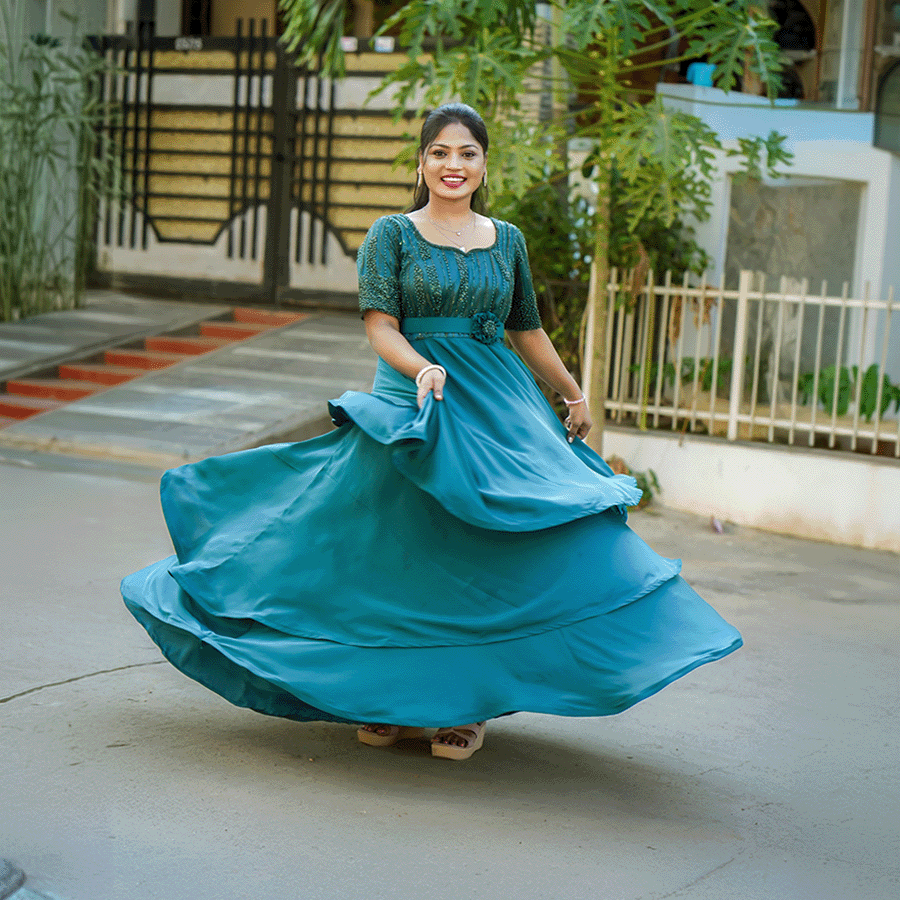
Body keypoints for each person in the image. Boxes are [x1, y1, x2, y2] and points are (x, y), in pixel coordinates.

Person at [121, 103, 742, 762]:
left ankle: (467, 707)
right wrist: (423, 369)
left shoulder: (507, 239)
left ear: (482, 164)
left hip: (498, 409)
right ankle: (384, 697)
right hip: (412, 401)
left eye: (467, 153)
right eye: (441, 152)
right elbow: (379, 327)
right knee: (390, 560)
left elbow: (524, 327)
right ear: (422, 163)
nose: (454, 165)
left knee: (486, 556)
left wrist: (572, 391)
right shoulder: (390, 234)